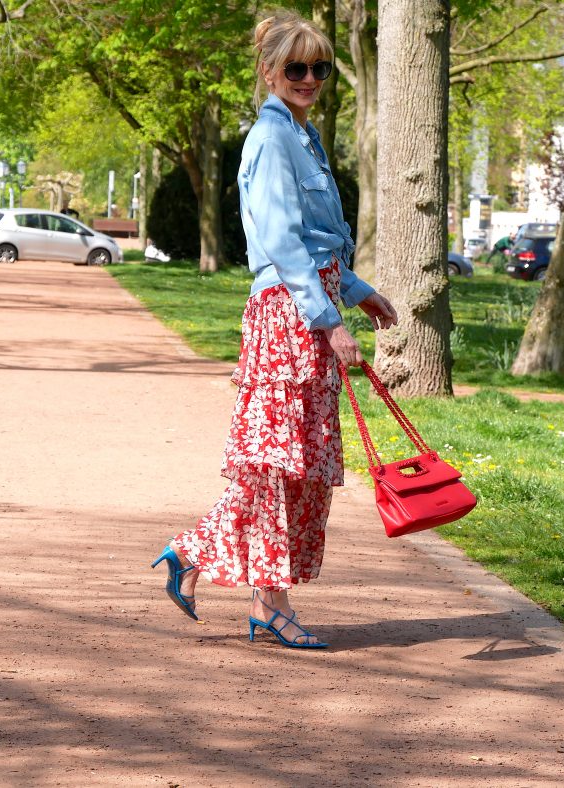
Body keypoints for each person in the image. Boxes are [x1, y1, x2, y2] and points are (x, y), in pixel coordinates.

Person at [152, 11, 398, 649]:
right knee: (280, 467)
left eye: (319, 67)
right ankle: (262, 598)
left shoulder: (304, 136)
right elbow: (284, 245)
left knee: (299, 471)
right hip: (289, 318)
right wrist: (328, 320)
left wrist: (360, 292)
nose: (310, 78)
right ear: (269, 73)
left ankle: (210, 566)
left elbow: (320, 245)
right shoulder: (269, 140)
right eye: (297, 68)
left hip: (307, 306)